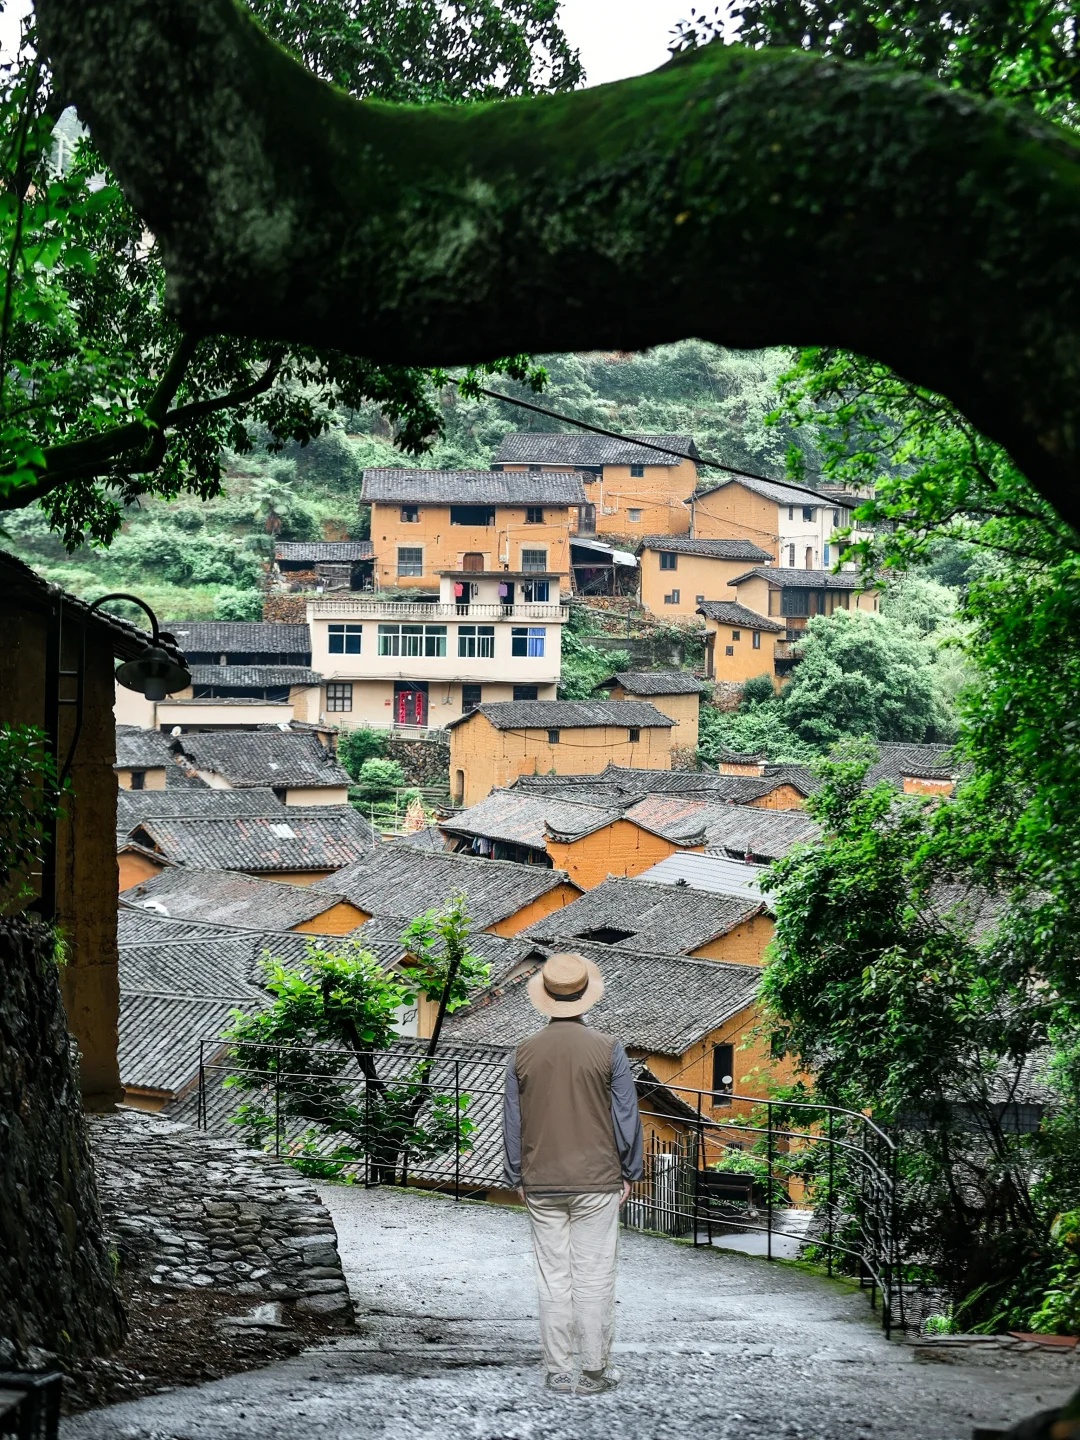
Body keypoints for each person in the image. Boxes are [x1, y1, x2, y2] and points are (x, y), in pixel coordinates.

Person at [502, 950, 644, 1396]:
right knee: (595, 1274)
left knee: (553, 1276)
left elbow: (512, 1119)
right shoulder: (608, 1049)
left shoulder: (522, 1052)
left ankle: (558, 1370)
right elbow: (626, 1115)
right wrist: (630, 1170)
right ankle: (595, 1369)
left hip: (541, 1180)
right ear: (586, 997)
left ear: (545, 997)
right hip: (598, 1179)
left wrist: (517, 1175)